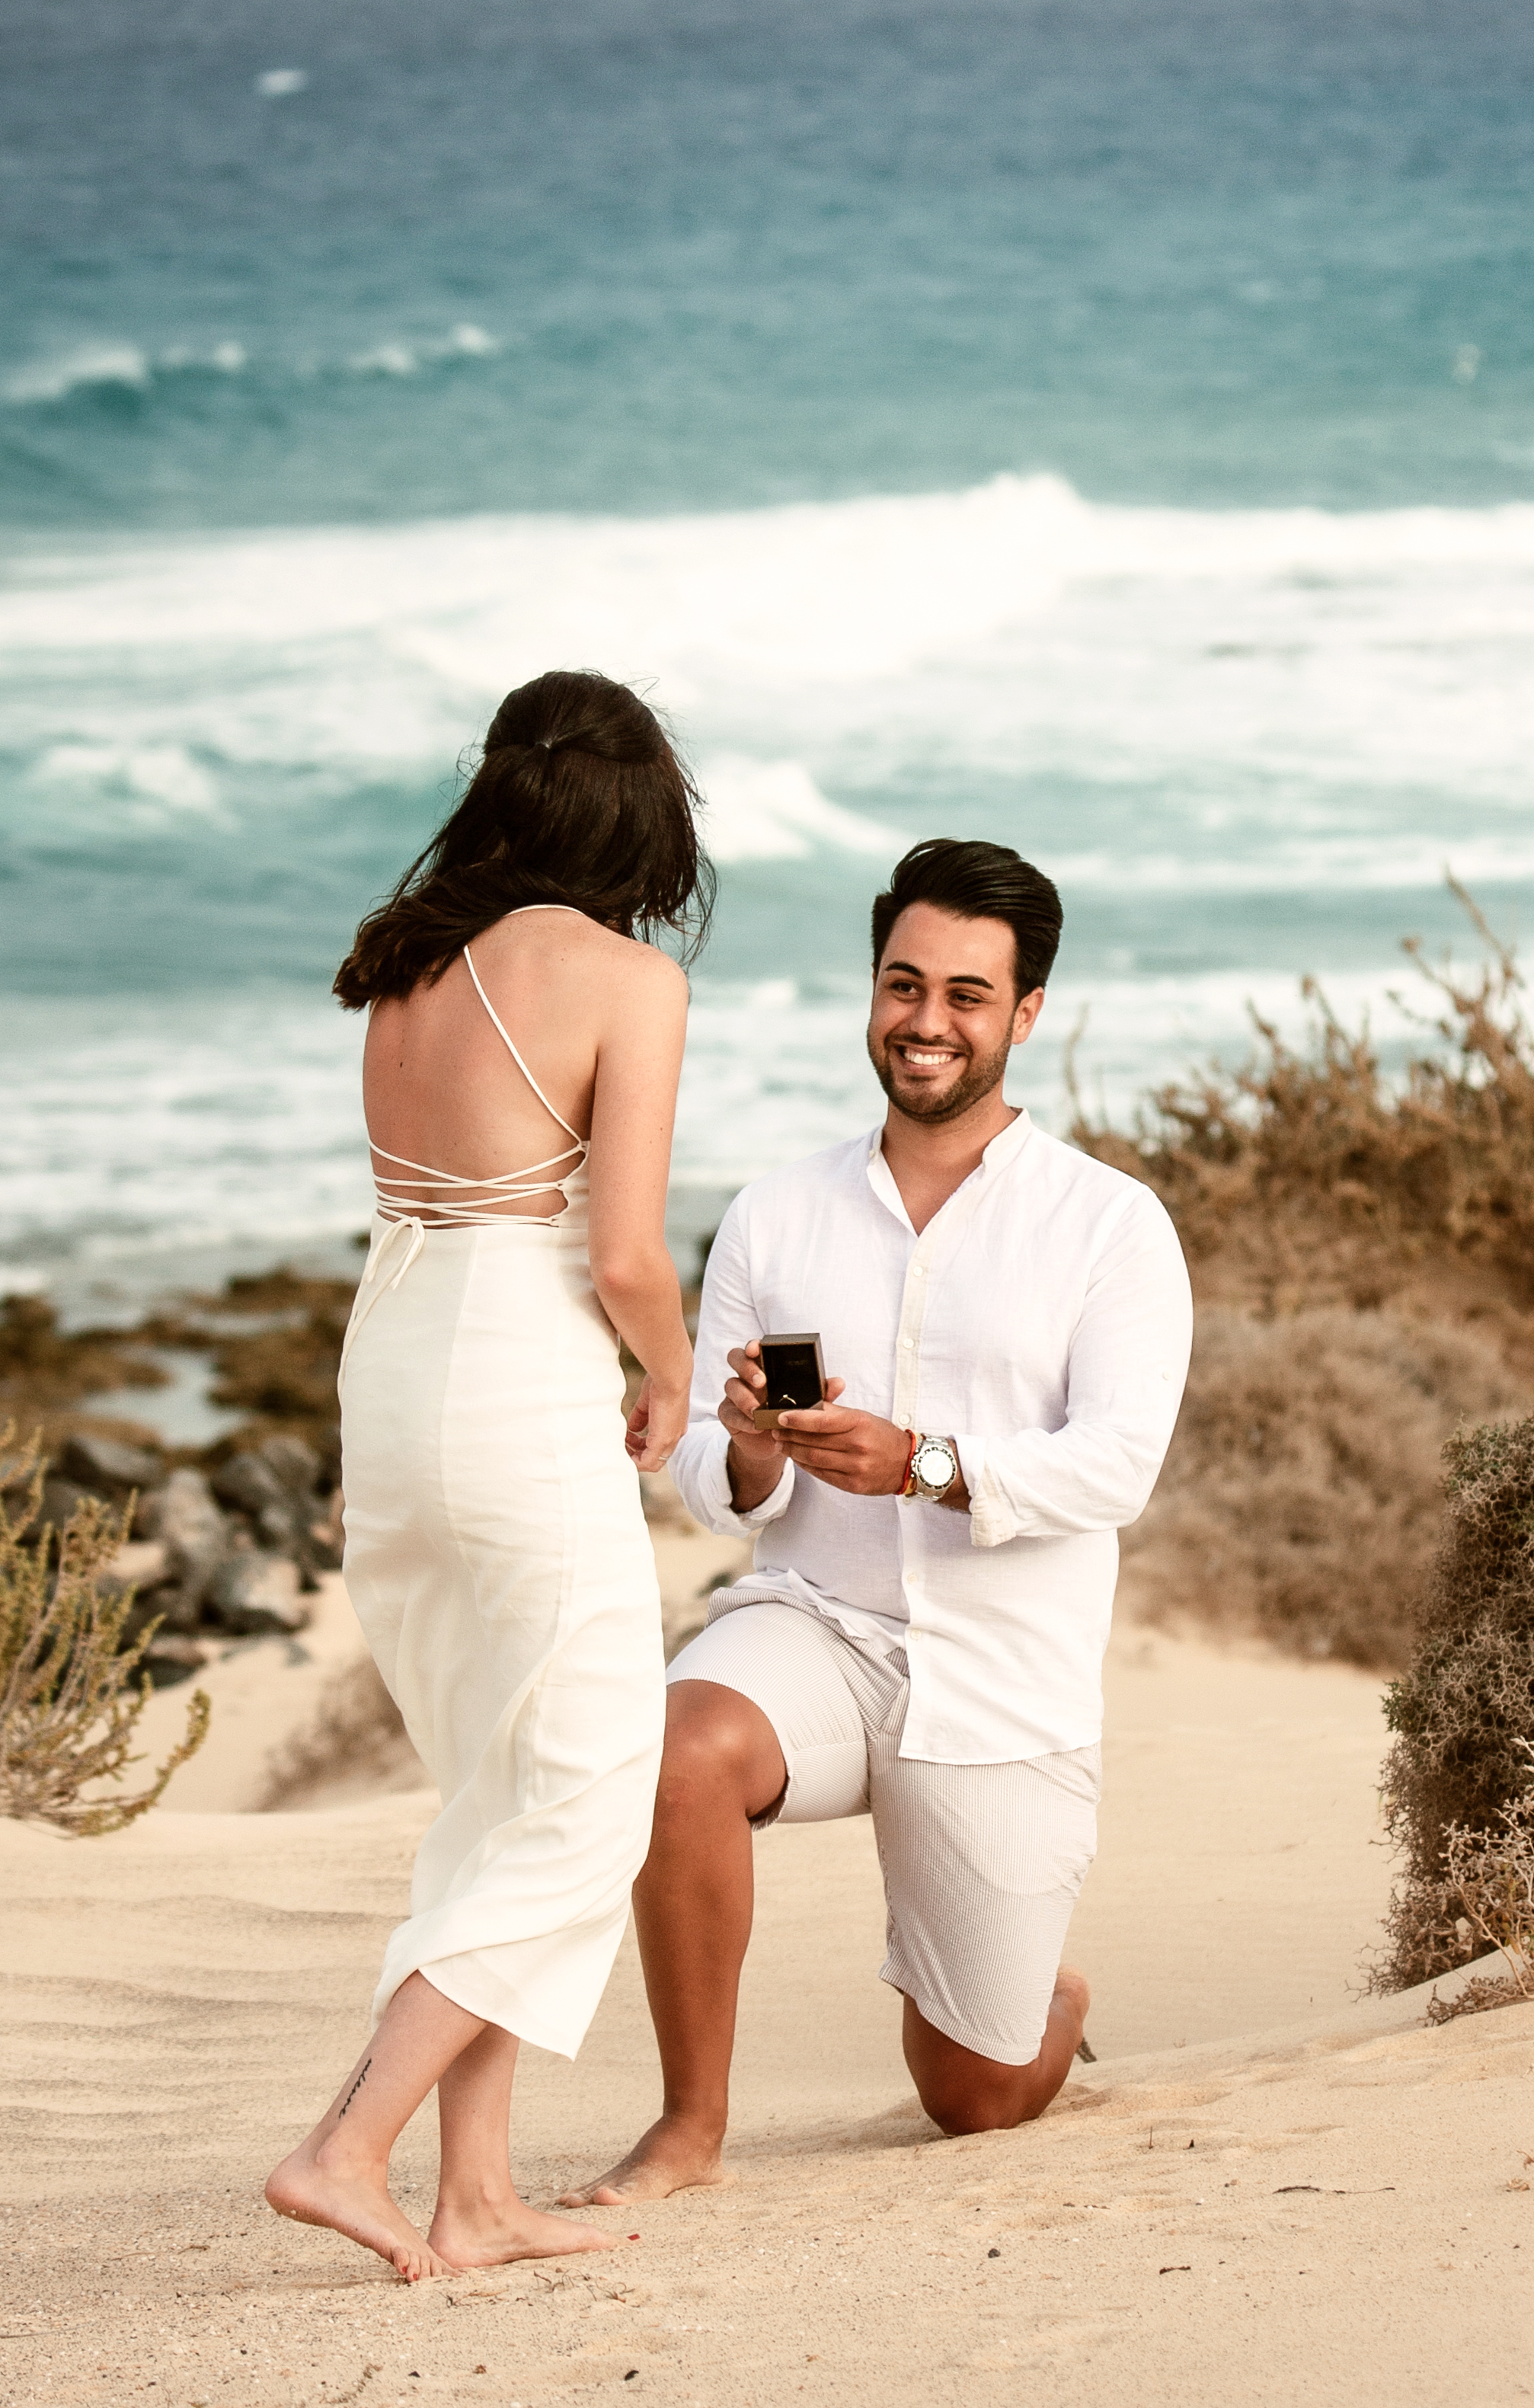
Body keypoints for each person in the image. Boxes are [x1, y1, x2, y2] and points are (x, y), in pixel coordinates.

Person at [560, 836, 1192, 2208]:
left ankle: (1041, 1999)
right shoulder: (777, 1210)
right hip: (818, 1629)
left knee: (974, 2096)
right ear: (871, 990)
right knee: (674, 1751)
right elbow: (715, 1498)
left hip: (1003, 1674)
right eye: (903, 985)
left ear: (1025, 1015)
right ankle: (689, 2126)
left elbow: (1118, 1466)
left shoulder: (1111, 1225)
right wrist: (741, 1450)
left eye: (967, 994)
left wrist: (925, 1463)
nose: (925, 1021)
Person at [265, 670, 712, 2280]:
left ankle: (472, 2197)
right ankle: (344, 2143)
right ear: (636, 812)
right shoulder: (625, 980)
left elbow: (434, 1201)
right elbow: (626, 1253)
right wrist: (668, 1378)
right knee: (587, 1788)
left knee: (498, 1792)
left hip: (391, 1366)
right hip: (517, 1379)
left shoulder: (404, 969)